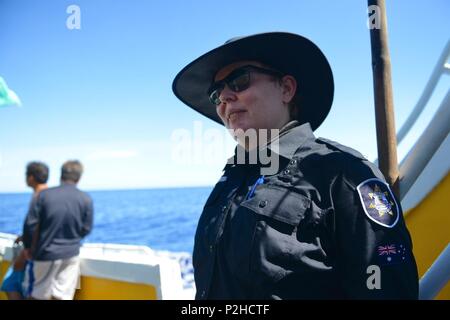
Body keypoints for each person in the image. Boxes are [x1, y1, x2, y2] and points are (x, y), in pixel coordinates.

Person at [172, 32, 419, 299]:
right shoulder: (231, 178)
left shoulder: (344, 174)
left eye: (239, 80)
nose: (224, 98)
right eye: (216, 94)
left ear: (286, 89)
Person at [22, 160, 94, 300]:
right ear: (79, 177)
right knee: (61, 296)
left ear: (61, 175)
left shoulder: (44, 195)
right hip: (71, 254)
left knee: (38, 295)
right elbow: (86, 229)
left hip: (46, 253)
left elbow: (30, 225)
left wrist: (28, 247)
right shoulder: (85, 199)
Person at [0, 161, 49, 299]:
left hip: (34, 255)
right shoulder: (48, 197)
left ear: (31, 177)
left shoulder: (39, 198)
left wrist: (24, 252)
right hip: (45, 253)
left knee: (11, 283)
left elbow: (35, 228)